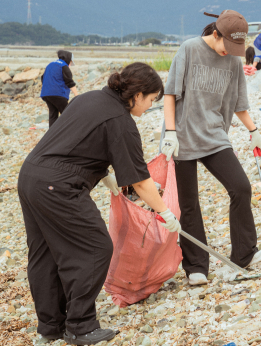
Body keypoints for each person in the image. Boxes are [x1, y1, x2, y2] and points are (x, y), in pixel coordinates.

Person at [18, 62, 180, 345]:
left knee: (44, 253)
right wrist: (164, 211)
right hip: (59, 186)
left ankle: (51, 326)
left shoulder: (89, 98)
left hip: (31, 175)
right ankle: (81, 325)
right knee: (94, 247)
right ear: (138, 94)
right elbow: (141, 182)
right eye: (152, 100)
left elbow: (78, 141)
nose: (149, 107)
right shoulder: (121, 121)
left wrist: (105, 176)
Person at [160, 10, 261, 287]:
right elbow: (171, 94)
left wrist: (253, 131)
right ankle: (196, 266)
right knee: (189, 204)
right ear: (216, 34)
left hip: (214, 135)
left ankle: (244, 255)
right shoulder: (189, 49)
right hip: (182, 136)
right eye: (226, 45)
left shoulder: (232, 59)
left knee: (241, 187)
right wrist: (170, 132)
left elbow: (238, 103)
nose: (228, 53)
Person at [40, 50, 79, 127]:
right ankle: (70, 133)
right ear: (69, 60)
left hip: (46, 94)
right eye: (71, 63)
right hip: (59, 94)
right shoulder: (64, 66)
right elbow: (70, 82)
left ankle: (52, 136)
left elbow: (43, 78)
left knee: (53, 115)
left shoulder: (50, 65)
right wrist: (77, 95)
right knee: (67, 114)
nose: (70, 65)